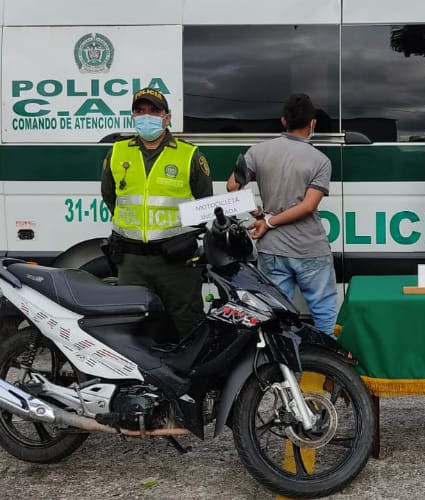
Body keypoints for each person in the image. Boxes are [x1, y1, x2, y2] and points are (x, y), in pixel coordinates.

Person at [101, 88, 213, 343]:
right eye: (140, 111)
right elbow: (110, 197)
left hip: (176, 262)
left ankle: (195, 379)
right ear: (132, 117)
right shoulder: (117, 152)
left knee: (188, 322)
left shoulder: (189, 155)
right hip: (131, 261)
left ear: (167, 118)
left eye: (154, 111)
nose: (146, 117)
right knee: (132, 327)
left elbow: (204, 202)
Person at [226, 94, 337, 336]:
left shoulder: (258, 151)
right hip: (310, 249)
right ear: (313, 123)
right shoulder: (320, 160)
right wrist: (266, 220)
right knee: (324, 312)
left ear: (283, 121)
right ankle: (330, 367)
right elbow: (308, 207)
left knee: (277, 315)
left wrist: (259, 212)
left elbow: (232, 187)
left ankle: (281, 369)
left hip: (272, 249)